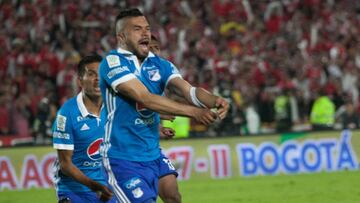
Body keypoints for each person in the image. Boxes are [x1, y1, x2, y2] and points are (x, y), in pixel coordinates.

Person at [99, 8, 229, 203]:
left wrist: (214, 100)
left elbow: (189, 91)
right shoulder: (112, 62)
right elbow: (144, 97)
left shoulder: (160, 64)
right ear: (121, 37)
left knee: (173, 196)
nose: (145, 33)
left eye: (147, 28)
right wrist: (194, 112)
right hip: (122, 157)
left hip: (152, 153)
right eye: (137, 29)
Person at [52, 55, 115, 203]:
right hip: (73, 187)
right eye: (91, 74)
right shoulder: (66, 114)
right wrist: (93, 186)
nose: (97, 79)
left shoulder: (114, 107)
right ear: (80, 81)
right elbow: (65, 164)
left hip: (105, 184)